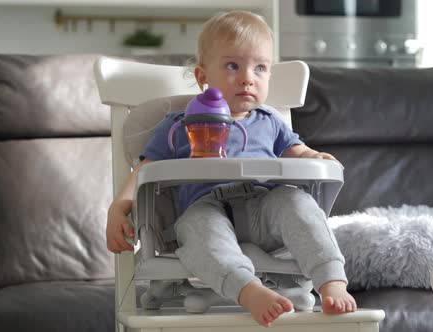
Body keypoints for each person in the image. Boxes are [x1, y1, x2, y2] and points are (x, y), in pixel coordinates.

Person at [106, 10, 356, 328]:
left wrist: (315, 156)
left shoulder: (271, 122)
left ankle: (331, 279)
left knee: (298, 202)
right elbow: (144, 171)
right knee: (195, 229)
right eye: (233, 66)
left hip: (263, 207)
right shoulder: (178, 125)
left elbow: (299, 152)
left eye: (260, 67)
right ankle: (248, 290)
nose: (247, 77)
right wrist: (119, 207)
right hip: (206, 208)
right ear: (202, 77)